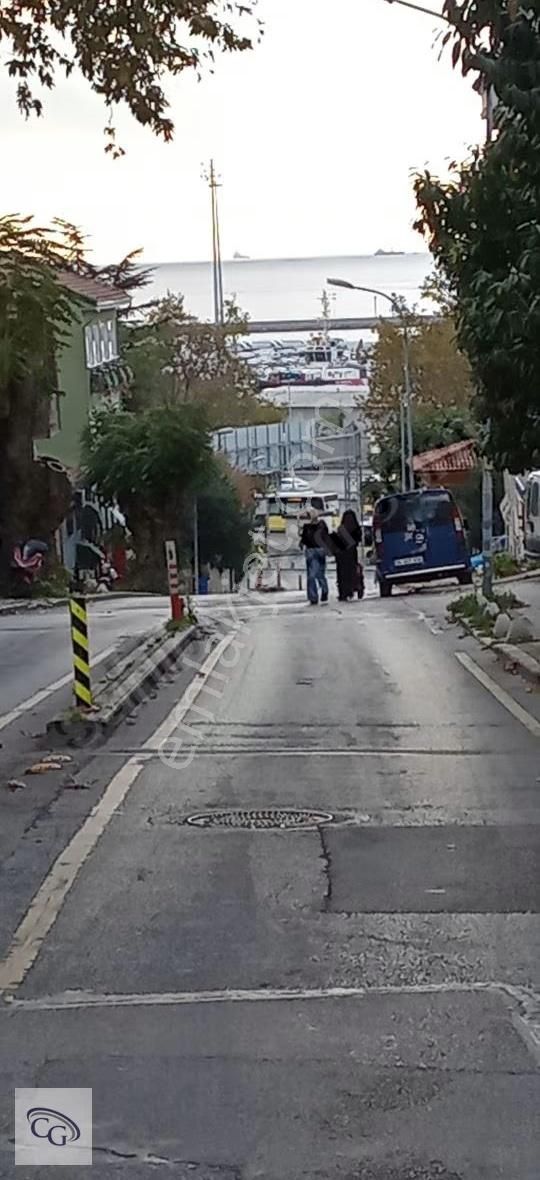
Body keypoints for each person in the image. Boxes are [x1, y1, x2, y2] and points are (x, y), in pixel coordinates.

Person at [300, 508, 330, 606]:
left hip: (312, 551)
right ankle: (324, 590)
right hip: (321, 551)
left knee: (312, 575)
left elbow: (304, 540)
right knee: (320, 573)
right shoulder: (322, 525)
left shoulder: (308, 527)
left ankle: (313, 596)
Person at [332, 509, 363, 602]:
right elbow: (358, 540)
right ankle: (353, 588)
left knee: (342, 574)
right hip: (352, 553)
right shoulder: (356, 529)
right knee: (352, 572)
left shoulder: (341, 529)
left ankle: (343, 593)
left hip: (341, 555)